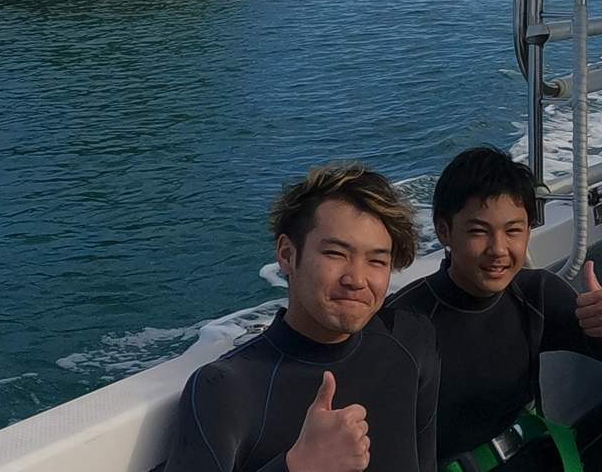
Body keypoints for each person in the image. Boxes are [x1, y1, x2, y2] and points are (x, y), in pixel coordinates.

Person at [385, 147, 602, 472]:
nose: (499, 249)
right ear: (445, 230)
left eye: (513, 231)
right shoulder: (403, 323)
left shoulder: (534, 294)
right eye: (479, 232)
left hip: (549, 458)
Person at [162, 163, 440, 472]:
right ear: (287, 254)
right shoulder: (226, 389)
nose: (357, 279)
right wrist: (299, 466)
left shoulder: (410, 340)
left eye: (377, 260)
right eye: (335, 254)